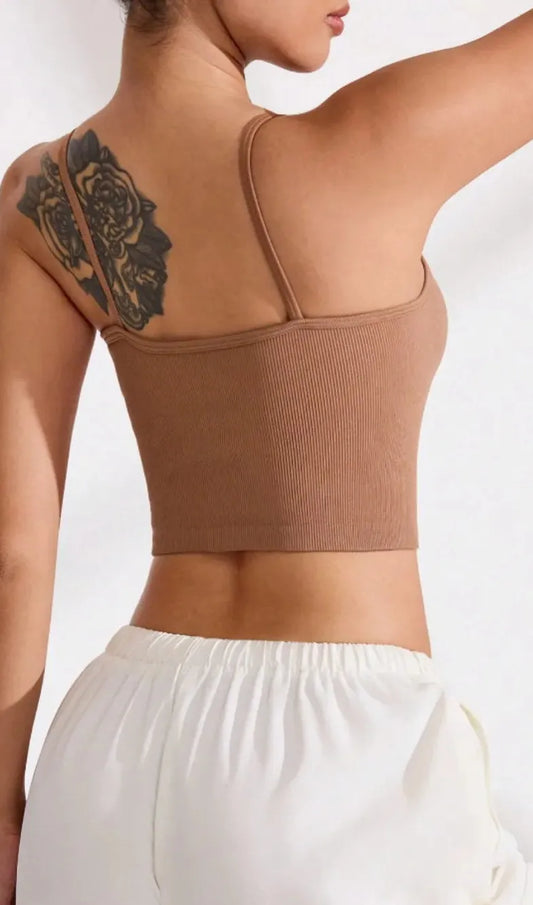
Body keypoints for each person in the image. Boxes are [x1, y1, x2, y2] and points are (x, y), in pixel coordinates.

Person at [1, 0, 532, 902]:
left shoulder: (42, 196)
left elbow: (14, 551)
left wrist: (5, 812)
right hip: (339, 762)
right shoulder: (373, 142)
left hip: (110, 758)